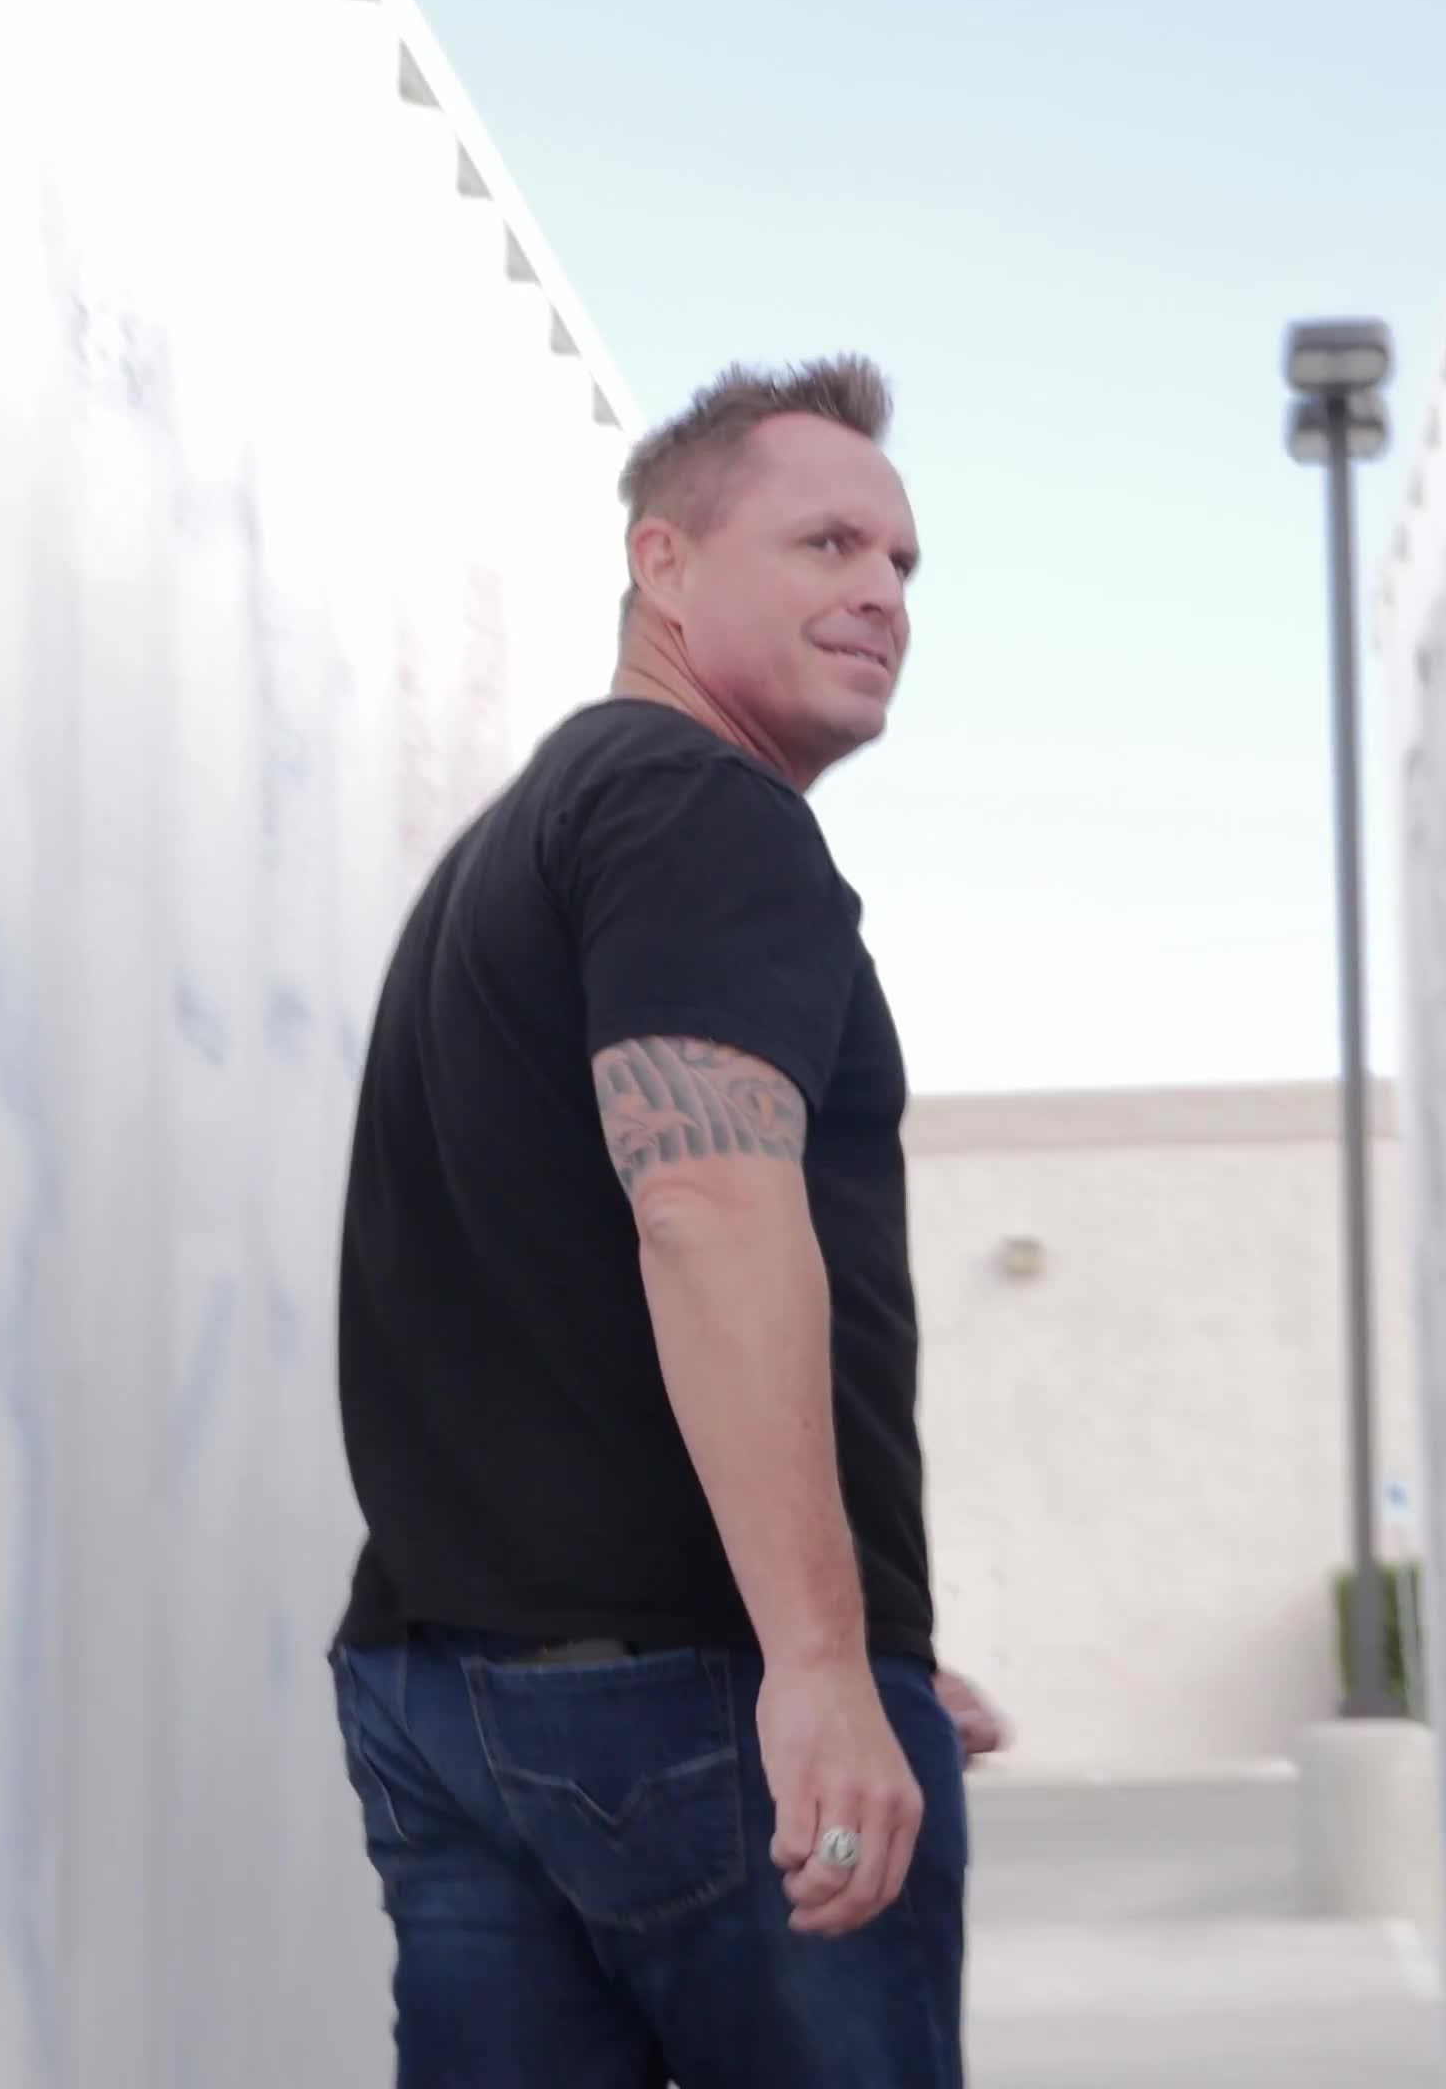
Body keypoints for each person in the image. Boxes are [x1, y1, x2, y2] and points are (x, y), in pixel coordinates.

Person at [325, 355, 1009, 2086]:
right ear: (666, 564)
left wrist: (872, 1629)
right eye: (827, 543)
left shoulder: (526, 840)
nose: (883, 592)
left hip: (451, 1697)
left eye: (903, 562)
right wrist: (820, 1664)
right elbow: (703, 1205)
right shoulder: (704, 814)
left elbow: (557, 1301)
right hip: (685, 1712)